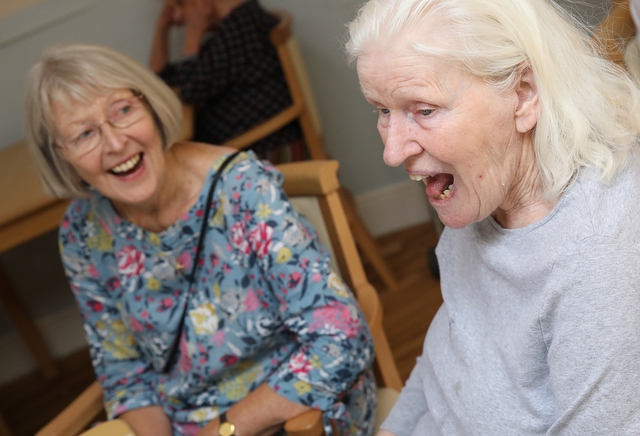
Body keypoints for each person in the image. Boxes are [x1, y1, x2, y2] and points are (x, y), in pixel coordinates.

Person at [25, 43, 376, 436]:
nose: (115, 143)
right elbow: (126, 375)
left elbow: (341, 339)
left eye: (123, 111)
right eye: (84, 134)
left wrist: (222, 430)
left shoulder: (243, 190)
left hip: (296, 412)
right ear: (61, 157)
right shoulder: (83, 233)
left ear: (151, 107)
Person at [346, 0, 640, 434]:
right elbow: (448, 352)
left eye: (424, 110)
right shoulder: (484, 189)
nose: (392, 152)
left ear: (523, 95)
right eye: (383, 111)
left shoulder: (595, 257)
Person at [149, 0, 305, 163]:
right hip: (251, 146)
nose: (178, 17)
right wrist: (162, 27)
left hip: (265, 150)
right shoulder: (235, 26)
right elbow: (161, 81)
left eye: (182, 5)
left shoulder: (241, 29)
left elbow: (190, 92)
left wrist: (193, 35)